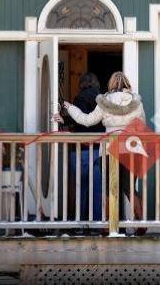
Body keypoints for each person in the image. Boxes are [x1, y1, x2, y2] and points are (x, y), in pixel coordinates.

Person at [61, 71, 146, 230]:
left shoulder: (104, 102)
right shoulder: (137, 103)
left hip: (110, 149)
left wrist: (70, 107)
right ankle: (140, 223)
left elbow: (86, 121)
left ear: (111, 84)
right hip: (131, 147)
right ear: (127, 84)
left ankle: (108, 225)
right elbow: (142, 126)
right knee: (129, 188)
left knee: (110, 187)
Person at [62, 73, 103, 223]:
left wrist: (64, 119)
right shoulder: (102, 100)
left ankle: (80, 222)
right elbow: (96, 119)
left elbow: (80, 120)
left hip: (81, 149)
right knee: (97, 189)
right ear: (96, 83)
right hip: (99, 149)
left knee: (81, 188)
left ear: (82, 84)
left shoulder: (79, 98)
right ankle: (98, 222)